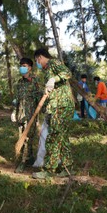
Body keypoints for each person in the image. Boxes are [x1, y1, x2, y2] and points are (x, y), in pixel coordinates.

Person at [32, 48, 73, 179]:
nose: (38, 63)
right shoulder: (46, 71)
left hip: (61, 105)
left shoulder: (53, 63)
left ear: (40, 57)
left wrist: (54, 79)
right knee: (62, 136)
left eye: (37, 60)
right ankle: (67, 168)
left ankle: (50, 169)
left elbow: (67, 72)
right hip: (56, 106)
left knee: (53, 136)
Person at [14, 57, 43, 172]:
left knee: (27, 138)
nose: (22, 68)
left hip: (30, 114)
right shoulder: (20, 83)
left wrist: (40, 114)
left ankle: (23, 161)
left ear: (30, 68)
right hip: (20, 115)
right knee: (21, 136)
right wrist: (13, 111)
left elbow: (39, 98)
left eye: (25, 66)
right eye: (21, 65)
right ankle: (29, 158)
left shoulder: (35, 81)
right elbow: (17, 98)